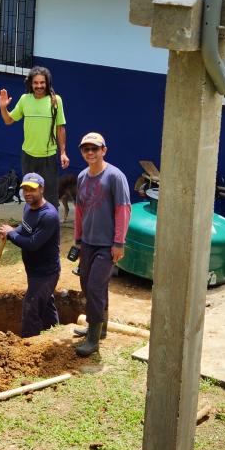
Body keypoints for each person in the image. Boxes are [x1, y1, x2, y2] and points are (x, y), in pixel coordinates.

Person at [72, 132, 131, 357]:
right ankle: (101, 326)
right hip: (87, 242)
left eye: (94, 149)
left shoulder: (115, 177)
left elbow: (123, 210)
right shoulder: (81, 177)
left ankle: (93, 338)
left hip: (107, 245)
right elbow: (79, 210)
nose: (90, 153)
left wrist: (119, 243)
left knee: (95, 287)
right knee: (88, 285)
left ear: (103, 150)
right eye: (86, 149)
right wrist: (78, 239)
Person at [0, 173, 61, 338]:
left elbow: (33, 244)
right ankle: (54, 332)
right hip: (33, 270)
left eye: (32, 189)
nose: (27, 193)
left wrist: (11, 234)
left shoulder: (49, 216)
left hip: (46, 273)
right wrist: (11, 231)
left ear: (42, 189)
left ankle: (28, 344)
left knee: (31, 307)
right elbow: (24, 228)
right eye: (25, 189)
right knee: (45, 303)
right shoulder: (28, 207)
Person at [0, 66, 70, 207]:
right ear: (31, 83)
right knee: (30, 195)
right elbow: (8, 120)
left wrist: (63, 152)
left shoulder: (56, 101)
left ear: (47, 83)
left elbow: (60, 128)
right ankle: (32, 226)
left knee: (50, 198)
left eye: (42, 82)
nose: (39, 86)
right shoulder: (25, 99)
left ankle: (50, 226)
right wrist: (3, 107)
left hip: (48, 157)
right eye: (36, 83)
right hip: (28, 157)